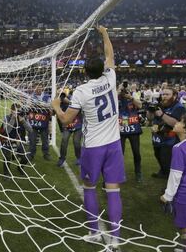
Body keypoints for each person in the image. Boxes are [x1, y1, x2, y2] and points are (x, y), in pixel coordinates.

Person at [52, 26, 125, 250]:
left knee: (89, 187)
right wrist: (103, 33)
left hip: (93, 146)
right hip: (114, 144)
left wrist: (56, 106)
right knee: (113, 190)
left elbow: (65, 120)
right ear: (103, 68)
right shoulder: (111, 78)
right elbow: (110, 54)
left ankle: (94, 232)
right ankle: (115, 236)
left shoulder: (82, 91)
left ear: (85, 72)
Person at [160, 115, 186, 252]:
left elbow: (175, 175)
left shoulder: (179, 148)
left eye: (180, 121)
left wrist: (167, 196)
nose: (176, 122)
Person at [147, 87, 186, 179]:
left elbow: (176, 123)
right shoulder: (160, 105)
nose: (164, 96)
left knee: (167, 160)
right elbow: (150, 118)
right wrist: (150, 111)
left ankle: (170, 183)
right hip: (157, 138)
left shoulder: (179, 107)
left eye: (167, 94)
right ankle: (163, 172)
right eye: (163, 94)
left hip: (170, 139)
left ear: (174, 96)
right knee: (158, 155)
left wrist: (162, 115)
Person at [118, 81, 143, 182]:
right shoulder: (117, 96)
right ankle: (119, 173)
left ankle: (138, 172)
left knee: (136, 152)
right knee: (120, 153)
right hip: (120, 128)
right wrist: (118, 90)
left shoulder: (133, 96)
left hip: (133, 128)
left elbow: (140, 105)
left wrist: (131, 97)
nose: (125, 90)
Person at [0, 103, 32, 177]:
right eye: (16, 111)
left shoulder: (22, 118)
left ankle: (20, 168)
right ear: (11, 110)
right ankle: (6, 173)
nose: (18, 112)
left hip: (16, 141)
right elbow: (7, 131)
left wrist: (23, 121)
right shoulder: (7, 118)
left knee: (25, 158)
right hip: (5, 140)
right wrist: (13, 119)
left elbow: (30, 130)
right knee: (7, 157)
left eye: (19, 111)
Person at [57, 90, 82, 167]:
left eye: (63, 96)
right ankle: (62, 158)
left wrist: (70, 102)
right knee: (64, 140)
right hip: (67, 126)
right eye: (61, 97)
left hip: (77, 124)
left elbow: (80, 109)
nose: (63, 98)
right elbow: (58, 117)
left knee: (76, 142)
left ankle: (79, 158)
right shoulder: (60, 104)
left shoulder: (75, 100)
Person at [28, 85, 52, 161]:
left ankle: (46, 154)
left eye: (39, 88)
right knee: (32, 139)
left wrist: (37, 105)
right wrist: (42, 105)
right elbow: (29, 106)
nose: (38, 89)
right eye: (36, 88)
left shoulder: (47, 97)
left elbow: (49, 106)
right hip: (33, 122)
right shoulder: (31, 96)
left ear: (42, 88)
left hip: (44, 121)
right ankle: (31, 154)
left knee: (45, 139)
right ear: (34, 88)